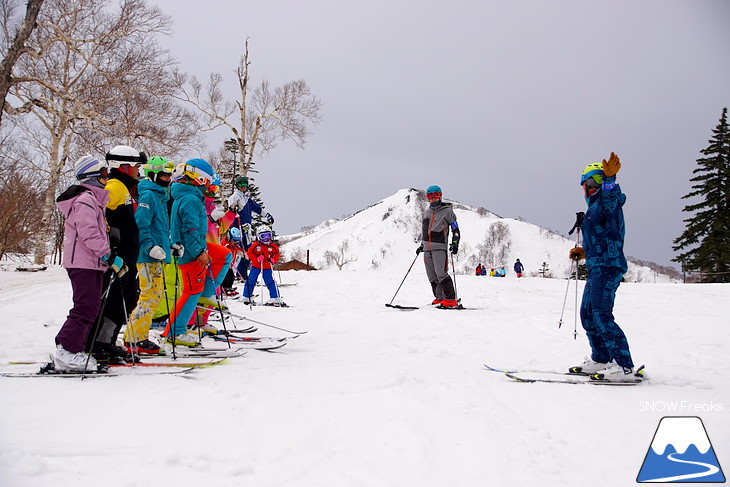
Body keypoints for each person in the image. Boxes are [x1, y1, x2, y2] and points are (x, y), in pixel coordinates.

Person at [568, 152, 635, 382]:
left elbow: (611, 199)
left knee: (600, 314)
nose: (588, 187)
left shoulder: (608, 202)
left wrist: (610, 180)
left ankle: (624, 366)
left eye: (591, 182)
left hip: (608, 266)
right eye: (586, 183)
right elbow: (605, 236)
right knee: (587, 313)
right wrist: (584, 252)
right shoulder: (595, 208)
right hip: (597, 265)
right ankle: (602, 358)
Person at [54, 155, 124, 371]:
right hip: (83, 262)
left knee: (91, 306)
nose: (106, 178)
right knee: (85, 306)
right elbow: (88, 232)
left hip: (92, 262)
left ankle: (74, 347)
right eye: (103, 173)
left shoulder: (93, 200)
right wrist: (108, 255)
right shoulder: (86, 200)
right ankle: (66, 350)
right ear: (93, 176)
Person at [88, 145, 146, 363]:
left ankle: (107, 341)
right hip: (118, 256)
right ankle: (99, 343)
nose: (138, 170)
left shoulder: (124, 187)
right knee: (116, 298)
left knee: (129, 296)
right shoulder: (115, 186)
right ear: (123, 166)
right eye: (135, 166)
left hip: (128, 255)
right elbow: (95, 209)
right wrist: (109, 236)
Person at [164, 159, 231, 346]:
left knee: (225, 255)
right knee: (191, 291)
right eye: (208, 181)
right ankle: (174, 333)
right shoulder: (190, 199)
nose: (209, 186)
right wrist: (199, 252)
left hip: (196, 246)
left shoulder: (189, 196)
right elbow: (190, 229)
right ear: (199, 178)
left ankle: (207, 293)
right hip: (190, 252)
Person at [123, 157, 174, 356]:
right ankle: (134, 338)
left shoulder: (161, 196)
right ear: (152, 175)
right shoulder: (149, 196)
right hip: (148, 255)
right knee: (150, 295)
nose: (167, 178)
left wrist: (171, 245)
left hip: (158, 254)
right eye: (163, 174)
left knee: (155, 295)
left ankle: (137, 335)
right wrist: (149, 246)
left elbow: (160, 228)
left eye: (169, 174)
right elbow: (141, 225)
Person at [416, 185, 459, 308]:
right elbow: (425, 231)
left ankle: (450, 299)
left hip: (440, 246)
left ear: (440, 196)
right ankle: (439, 297)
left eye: (435, 195)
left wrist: (455, 243)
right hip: (427, 248)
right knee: (432, 275)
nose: (432, 198)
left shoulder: (447, 211)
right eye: (430, 196)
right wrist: (422, 245)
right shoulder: (426, 213)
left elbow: (455, 228)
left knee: (441, 273)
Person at [226, 176, 274, 280]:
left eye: (245, 185)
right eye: (241, 185)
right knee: (238, 252)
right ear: (237, 186)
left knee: (248, 252)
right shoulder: (234, 197)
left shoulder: (247, 199)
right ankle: (233, 276)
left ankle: (242, 274)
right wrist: (235, 226)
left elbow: (257, 208)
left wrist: (267, 215)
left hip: (247, 229)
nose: (243, 187)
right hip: (237, 229)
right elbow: (231, 213)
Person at [240, 225, 283, 306]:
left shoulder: (272, 246)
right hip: (256, 266)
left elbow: (276, 253)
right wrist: (257, 258)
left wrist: (273, 259)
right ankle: (247, 296)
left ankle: (275, 297)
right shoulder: (256, 245)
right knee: (251, 280)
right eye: (263, 236)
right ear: (258, 237)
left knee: (270, 281)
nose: (266, 239)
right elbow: (250, 253)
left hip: (267, 266)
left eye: (268, 236)